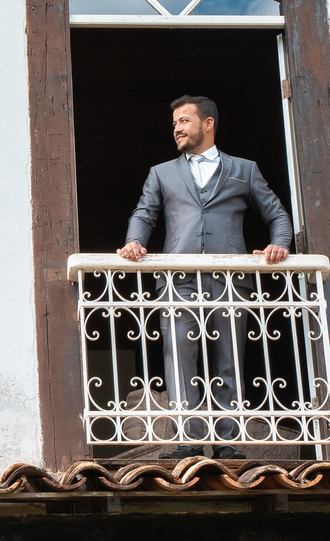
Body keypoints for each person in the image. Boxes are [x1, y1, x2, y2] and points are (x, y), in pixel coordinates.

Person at [117, 95, 291, 461]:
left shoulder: (244, 169)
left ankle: (227, 441)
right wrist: (134, 241)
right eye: (175, 123)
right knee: (178, 357)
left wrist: (279, 245)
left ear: (207, 123)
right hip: (177, 279)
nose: (177, 128)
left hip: (229, 279)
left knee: (229, 359)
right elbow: (144, 214)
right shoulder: (161, 172)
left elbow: (277, 214)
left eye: (184, 121)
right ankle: (188, 440)